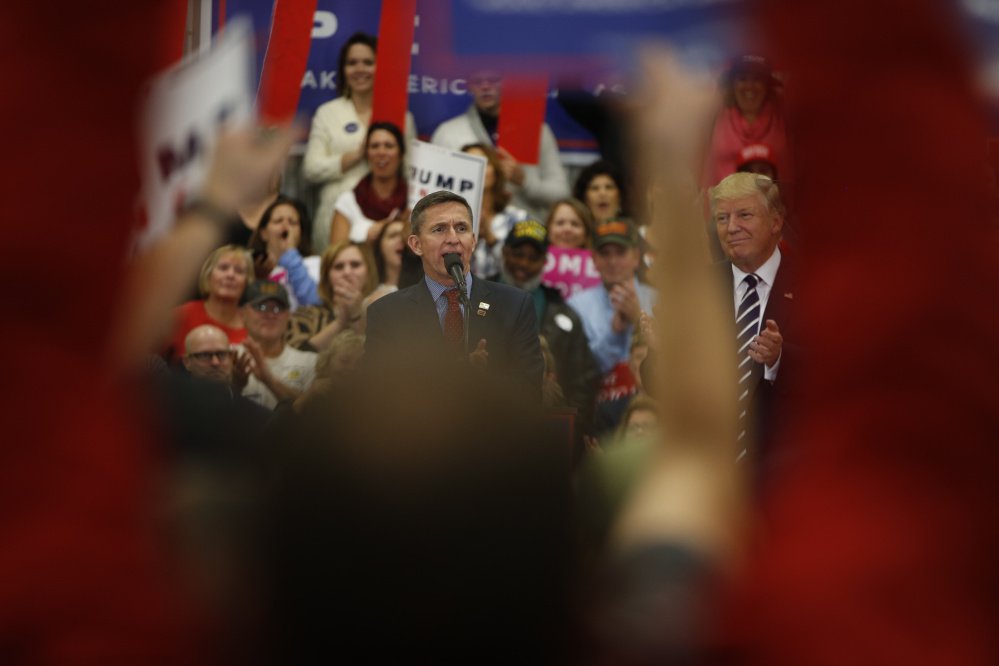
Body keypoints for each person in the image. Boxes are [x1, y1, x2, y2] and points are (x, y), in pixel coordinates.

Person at [364, 190, 544, 394]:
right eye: (439, 229)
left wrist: (479, 380)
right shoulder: (387, 314)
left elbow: (529, 391)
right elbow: (378, 395)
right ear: (416, 245)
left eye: (461, 228)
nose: (453, 238)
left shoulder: (514, 306)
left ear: (473, 241)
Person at [710, 171, 796, 465]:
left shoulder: (810, 283)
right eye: (722, 218)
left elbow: (835, 370)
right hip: (711, 470)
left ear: (776, 221)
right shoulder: (697, 287)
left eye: (744, 215)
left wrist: (779, 358)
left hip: (785, 467)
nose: (731, 227)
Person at [302, 32, 416, 250]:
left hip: (389, 226)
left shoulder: (401, 115)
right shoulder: (328, 113)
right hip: (336, 219)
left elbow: (410, 172)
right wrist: (355, 156)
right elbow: (310, 169)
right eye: (352, 63)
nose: (360, 69)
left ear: (380, 67)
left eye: (368, 62)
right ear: (343, 70)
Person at [497, 219, 600, 429]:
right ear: (505, 252)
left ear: (545, 261)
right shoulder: (473, 296)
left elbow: (582, 381)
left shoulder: (563, 313)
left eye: (533, 258)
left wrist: (568, 429)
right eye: (518, 254)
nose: (524, 264)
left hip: (546, 431)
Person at [430, 70, 569, 220]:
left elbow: (562, 195)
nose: (485, 87)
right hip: (468, 232)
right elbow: (433, 196)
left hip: (528, 231)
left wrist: (525, 182)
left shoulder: (537, 131)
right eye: (478, 81)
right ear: (469, 86)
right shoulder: (448, 133)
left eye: (494, 80)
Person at [567, 218, 657, 375]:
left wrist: (639, 320)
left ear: (636, 257)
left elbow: (672, 359)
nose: (613, 261)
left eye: (620, 252)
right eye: (605, 254)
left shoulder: (658, 300)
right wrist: (614, 332)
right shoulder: (576, 307)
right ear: (594, 259)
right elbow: (580, 372)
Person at [703, 55, 792, 188]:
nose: (749, 86)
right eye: (742, 79)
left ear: (767, 85)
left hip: (774, 204)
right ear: (732, 85)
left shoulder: (784, 114)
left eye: (757, 79)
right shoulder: (716, 114)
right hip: (724, 204)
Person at [166, 244, 254, 363]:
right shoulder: (181, 316)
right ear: (208, 276)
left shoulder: (255, 322)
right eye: (223, 268)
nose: (231, 275)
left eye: (239, 271)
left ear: (247, 282)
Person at [237, 281, 317, 410]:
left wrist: (269, 380)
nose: (270, 315)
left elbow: (311, 414)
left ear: (288, 316)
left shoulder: (311, 363)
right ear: (242, 314)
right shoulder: (227, 357)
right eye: (261, 307)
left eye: (278, 308)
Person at [286, 240, 376, 352]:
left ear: (369, 272)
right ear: (327, 277)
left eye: (355, 265)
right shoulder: (306, 315)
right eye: (339, 267)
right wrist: (340, 323)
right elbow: (297, 360)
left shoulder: (384, 312)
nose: (347, 272)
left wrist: (357, 314)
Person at [330, 121, 409, 246]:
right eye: (374, 146)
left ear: (401, 154)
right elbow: (336, 257)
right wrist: (366, 242)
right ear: (366, 154)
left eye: (388, 146)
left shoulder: (415, 202)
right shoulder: (347, 201)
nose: (381, 152)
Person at [463, 142, 528, 280]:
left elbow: (523, 270)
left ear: (496, 172)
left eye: (484, 164)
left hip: (502, 296)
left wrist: (490, 238)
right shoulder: (445, 219)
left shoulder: (517, 218)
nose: (477, 170)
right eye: (469, 164)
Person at [248, 195, 319, 310]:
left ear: (301, 234)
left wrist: (290, 253)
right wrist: (259, 279)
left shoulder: (315, 264)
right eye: (278, 221)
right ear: (263, 233)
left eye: (292, 222)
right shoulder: (250, 267)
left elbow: (312, 302)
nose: (285, 226)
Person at [364, 219, 406, 306]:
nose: (401, 240)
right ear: (380, 246)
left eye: (404, 235)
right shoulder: (367, 291)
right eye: (393, 235)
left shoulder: (429, 287)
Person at [573, 159, 626, 225]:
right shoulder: (575, 234)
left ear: (620, 196)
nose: (602, 193)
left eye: (609, 187)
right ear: (584, 198)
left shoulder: (636, 233)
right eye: (594, 188)